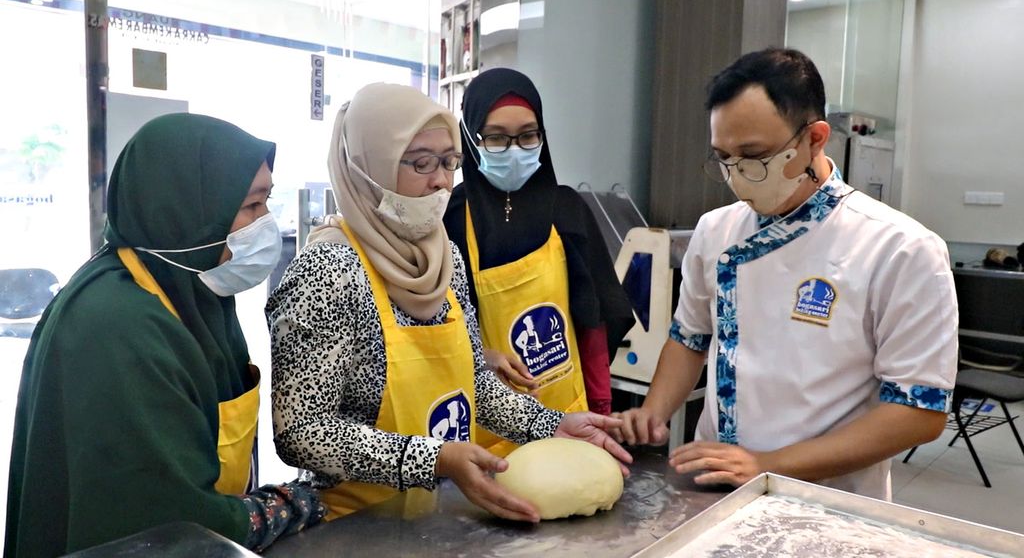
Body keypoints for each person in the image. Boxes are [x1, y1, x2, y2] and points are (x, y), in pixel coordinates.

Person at [267, 83, 631, 523]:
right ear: (368, 166)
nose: (441, 180)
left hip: (440, 515)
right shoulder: (329, 272)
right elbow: (301, 433)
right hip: (356, 525)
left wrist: (550, 424)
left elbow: (474, 384)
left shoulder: (445, 259)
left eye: (449, 162)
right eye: (421, 163)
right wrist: (433, 459)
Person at [612, 48, 957, 500]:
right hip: (711, 480)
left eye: (754, 157)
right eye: (724, 159)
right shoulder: (716, 230)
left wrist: (767, 466)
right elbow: (690, 337)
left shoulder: (900, 249)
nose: (737, 178)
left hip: (827, 498)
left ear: (814, 138)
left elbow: (919, 412)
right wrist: (654, 411)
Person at [4, 114, 324, 557]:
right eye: (251, 207)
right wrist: (283, 507)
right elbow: (169, 520)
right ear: (187, 213)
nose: (267, 224)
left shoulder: (197, 290)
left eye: (267, 203)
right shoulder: (117, 328)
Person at [443, 68, 635, 457]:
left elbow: (594, 322)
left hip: (569, 418)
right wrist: (481, 356)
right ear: (470, 137)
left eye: (528, 135)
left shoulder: (567, 209)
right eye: (496, 137)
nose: (515, 149)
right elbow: (437, 330)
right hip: (481, 428)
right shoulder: (451, 215)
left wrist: (601, 411)